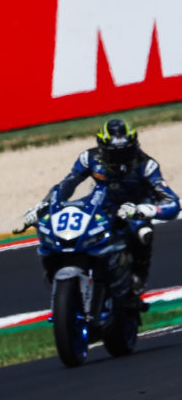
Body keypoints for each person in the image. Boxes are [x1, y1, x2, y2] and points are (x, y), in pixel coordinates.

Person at [22, 118, 179, 293]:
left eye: (125, 152)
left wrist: (145, 210)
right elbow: (67, 185)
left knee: (143, 233)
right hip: (103, 202)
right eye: (115, 154)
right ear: (102, 148)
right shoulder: (89, 158)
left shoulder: (147, 165)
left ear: (134, 146)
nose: (121, 160)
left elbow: (173, 203)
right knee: (73, 217)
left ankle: (138, 277)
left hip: (135, 205)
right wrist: (45, 205)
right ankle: (64, 264)